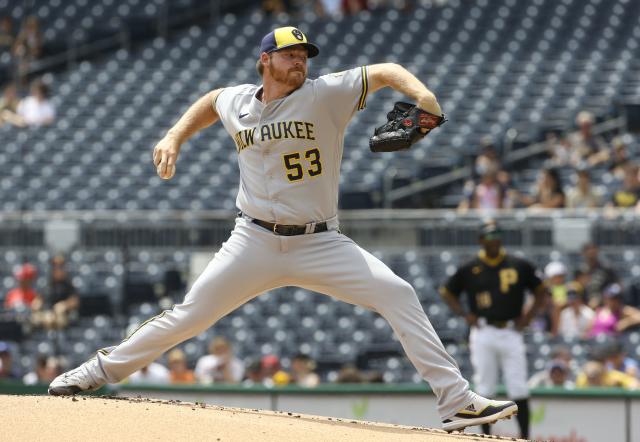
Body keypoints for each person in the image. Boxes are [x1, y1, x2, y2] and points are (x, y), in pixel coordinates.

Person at [48, 26, 516, 432]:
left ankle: (455, 402)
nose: (301, 62)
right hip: (252, 240)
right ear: (265, 61)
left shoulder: (325, 93)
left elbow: (388, 69)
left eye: (304, 56)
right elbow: (212, 101)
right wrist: (173, 136)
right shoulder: (238, 101)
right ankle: (95, 371)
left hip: (321, 240)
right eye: (292, 55)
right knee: (189, 316)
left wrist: (425, 99)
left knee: (397, 293)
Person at [440, 221, 548, 439]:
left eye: (497, 235)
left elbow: (541, 290)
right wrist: (465, 314)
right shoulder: (470, 267)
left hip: (511, 331)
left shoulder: (518, 264)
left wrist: (527, 316)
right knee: (485, 385)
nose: (493, 240)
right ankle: (487, 436)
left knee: (518, 387)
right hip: (483, 330)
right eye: (489, 237)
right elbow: (447, 291)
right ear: (481, 240)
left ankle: (525, 436)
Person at [31, 255, 80, 330]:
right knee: (41, 318)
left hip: (63, 315)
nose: (58, 269)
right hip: (47, 313)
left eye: (60, 266)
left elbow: (75, 301)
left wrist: (65, 305)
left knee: (58, 318)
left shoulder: (69, 285)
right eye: (55, 266)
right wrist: (37, 303)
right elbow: (39, 299)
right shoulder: (47, 284)